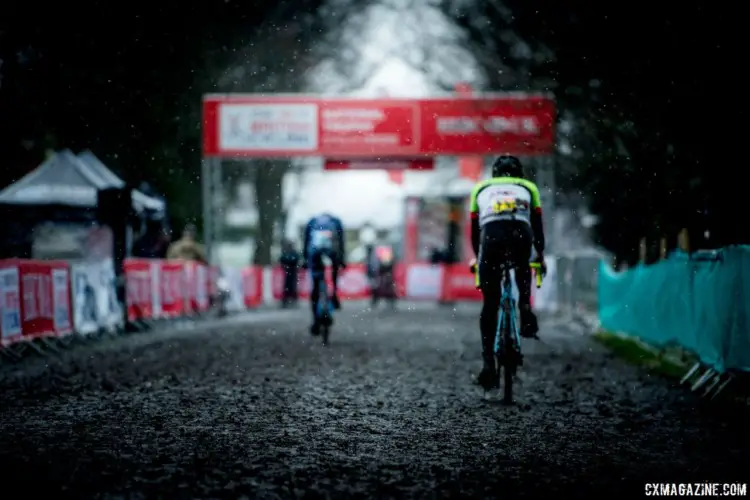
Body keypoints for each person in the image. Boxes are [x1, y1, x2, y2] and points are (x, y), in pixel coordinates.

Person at [468, 155, 547, 389]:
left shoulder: (481, 188)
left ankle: (487, 364)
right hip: (520, 233)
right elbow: (538, 227)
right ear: (519, 173)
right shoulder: (528, 187)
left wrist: (478, 257)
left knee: (490, 303)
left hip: (491, 236)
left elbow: (475, 231)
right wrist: (540, 255)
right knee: (523, 264)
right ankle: (525, 306)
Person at [302, 213, 346, 335]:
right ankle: (335, 296)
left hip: (315, 256)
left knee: (315, 287)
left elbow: (306, 243)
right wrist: (342, 260)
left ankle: (315, 321)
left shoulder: (312, 222)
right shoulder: (336, 222)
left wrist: (305, 259)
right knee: (333, 275)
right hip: (332, 254)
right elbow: (341, 243)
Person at [279, 239, 301, 308]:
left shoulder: (292, 253)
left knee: (293, 286)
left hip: (292, 271)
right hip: (288, 272)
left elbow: (295, 259)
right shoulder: (286, 252)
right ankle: (286, 301)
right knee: (287, 287)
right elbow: (282, 260)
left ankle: (293, 300)